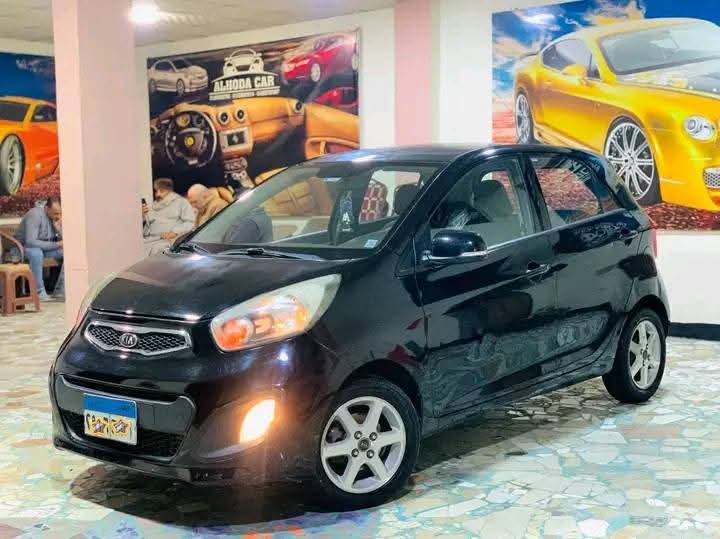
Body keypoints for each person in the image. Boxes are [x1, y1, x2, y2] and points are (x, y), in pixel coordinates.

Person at [14, 196, 64, 301]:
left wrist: (58, 229)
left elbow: (62, 241)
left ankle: (58, 290)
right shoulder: (35, 215)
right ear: (47, 208)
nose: (58, 216)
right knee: (36, 253)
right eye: (56, 213)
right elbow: (31, 242)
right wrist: (56, 244)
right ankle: (39, 292)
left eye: (60, 213)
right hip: (22, 248)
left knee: (66, 252)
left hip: (43, 248)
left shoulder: (54, 218)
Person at [143, 178, 195, 256]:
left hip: (169, 240)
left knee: (156, 249)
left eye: (162, 191)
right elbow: (148, 225)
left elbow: (190, 222)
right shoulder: (154, 205)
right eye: (156, 191)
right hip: (151, 239)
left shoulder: (181, 202)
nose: (158, 194)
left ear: (170, 191)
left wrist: (174, 232)